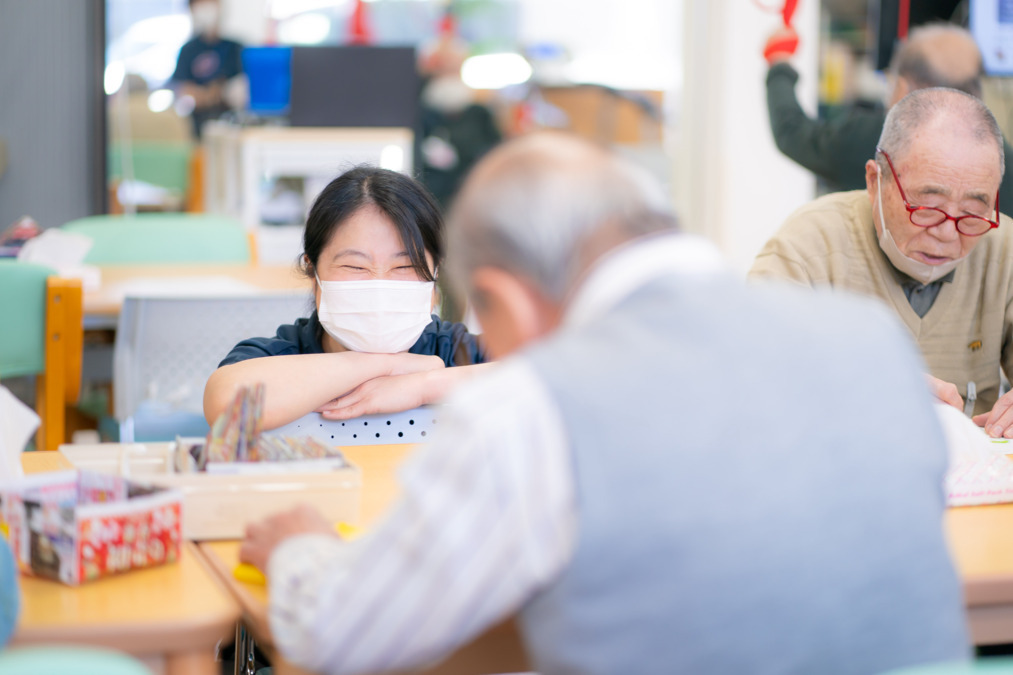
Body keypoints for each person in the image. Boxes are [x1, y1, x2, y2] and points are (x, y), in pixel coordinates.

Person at [239, 133, 968, 675]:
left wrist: (301, 547)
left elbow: (344, 635)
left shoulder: (535, 408)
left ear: (503, 301)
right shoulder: (872, 340)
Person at [752, 87, 1013, 435]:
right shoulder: (807, 247)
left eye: (973, 212)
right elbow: (748, 377)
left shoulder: (1003, 250)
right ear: (875, 181)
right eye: (927, 208)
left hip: (975, 486)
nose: (948, 234)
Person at [203, 166, 488, 431]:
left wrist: (425, 385)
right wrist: (383, 365)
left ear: (435, 276)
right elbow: (226, 403)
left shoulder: (453, 349)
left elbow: (532, 373)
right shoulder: (285, 354)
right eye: (355, 266)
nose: (380, 287)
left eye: (405, 267)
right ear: (314, 274)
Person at [765, 22, 1013, 206]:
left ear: (902, 87)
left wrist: (780, 64)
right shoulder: (1001, 156)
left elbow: (793, 132)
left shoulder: (878, 140)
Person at [171, 0, 244, 139]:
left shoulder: (235, 48)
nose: (206, 8)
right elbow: (183, 90)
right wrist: (210, 95)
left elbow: (241, 90)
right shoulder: (188, 50)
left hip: (233, 128)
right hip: (196, 129)